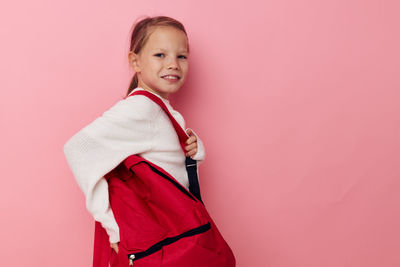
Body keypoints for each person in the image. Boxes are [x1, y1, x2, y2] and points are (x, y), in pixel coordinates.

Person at [63, 15, 206, 257]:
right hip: (162, 239)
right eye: (160, 55)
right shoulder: (141, 108)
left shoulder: (160, 110)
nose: (173, 63)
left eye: (181, 56)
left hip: (170, 236)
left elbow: (175, 172)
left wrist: (194, 148)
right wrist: (112, 224)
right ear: (135, 61)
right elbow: (77, 148)